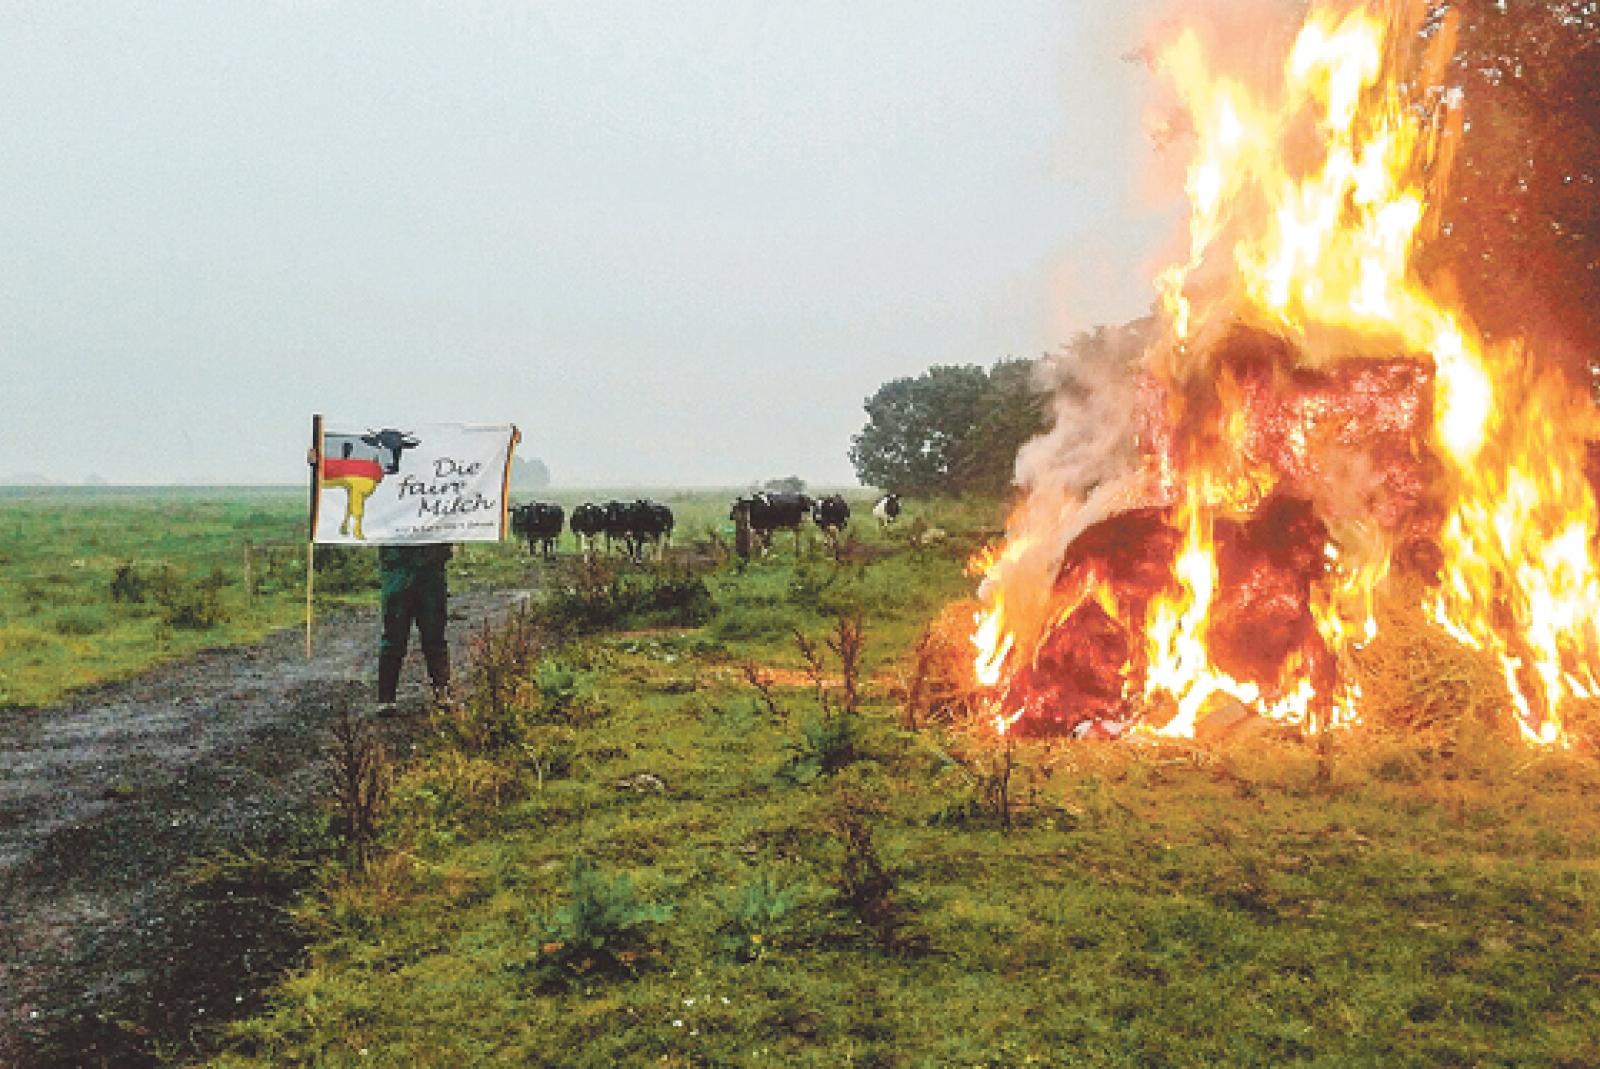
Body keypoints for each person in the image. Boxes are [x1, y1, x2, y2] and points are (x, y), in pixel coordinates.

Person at [376, 542, 454, 713]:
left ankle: (442, 690)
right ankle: (386, 698)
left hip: (431, 565)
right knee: (394, 633)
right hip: (397, 567)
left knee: (434, 631)